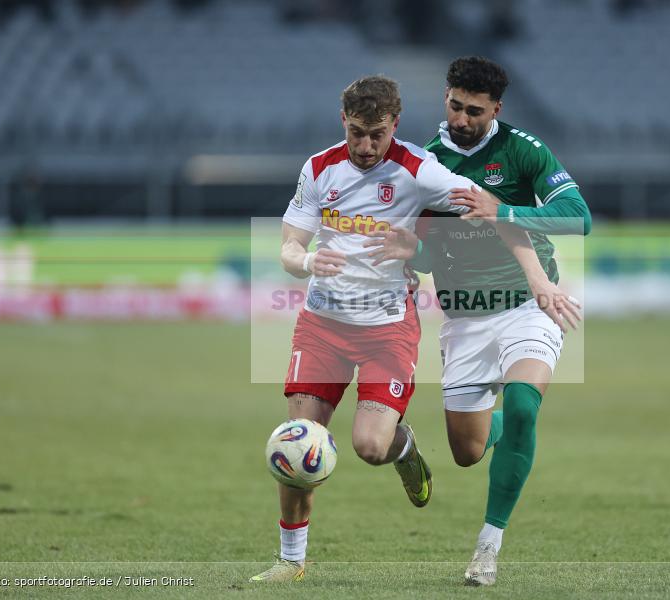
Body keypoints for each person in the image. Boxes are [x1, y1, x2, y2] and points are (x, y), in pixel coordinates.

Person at [251, 74, 574, 584]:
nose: (365, 145)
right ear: (344, 122)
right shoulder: (318, 168)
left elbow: (491, 214)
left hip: (386, 329)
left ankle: (405, 451)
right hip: (322, 325)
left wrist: (538, 279)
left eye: (376, 134)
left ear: (394, 125)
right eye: (356, 132)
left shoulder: (420, 170)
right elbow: (289, 247)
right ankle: (291, 560)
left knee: (370, 447)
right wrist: (306, 260)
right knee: (300, 442)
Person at [367, 56, 591, 586]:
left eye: (474, 110)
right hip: (465, 319)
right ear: (445, 97)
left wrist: (505, 210)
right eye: (454, 105)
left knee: (522, 408)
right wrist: (409, 249)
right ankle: (470, 434)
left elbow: (578, 218)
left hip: (527, 306)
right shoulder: (425, 164)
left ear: (496, 109)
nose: (462, 118)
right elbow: (429, 252)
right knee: (467, 452)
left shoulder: (523, 150)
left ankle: (487, 549)